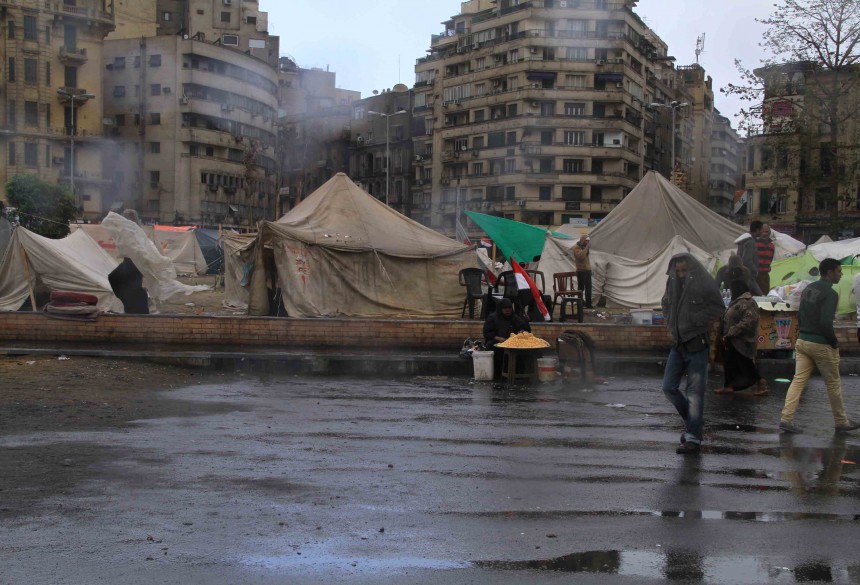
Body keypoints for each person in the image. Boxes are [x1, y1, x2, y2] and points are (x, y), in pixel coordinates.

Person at [779, 258, 860, 434]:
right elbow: (825, 322)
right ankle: (841, 421)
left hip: (803, 341)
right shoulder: (830, 293)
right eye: (839, 271)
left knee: (798, 380)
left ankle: (786, 418)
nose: (841, 274)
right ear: (830, 273)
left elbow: (800, 315)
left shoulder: (808, 288)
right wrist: (834, 342)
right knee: (833, 383)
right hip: (821, 343)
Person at [661, 253, 726, 454]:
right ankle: (693, 424)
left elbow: (718, 307)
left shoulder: (703, 281)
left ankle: (693, 438)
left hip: (697, 344)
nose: (681, 274)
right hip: (678, 343)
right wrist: (670, 323)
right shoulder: (672, 281)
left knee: (695, 394)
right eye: (678, 271)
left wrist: (696, 319)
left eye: (684, 270)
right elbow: (665, 302)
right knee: (668, 387)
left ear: (691, 268)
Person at [715, 279, 768, 395]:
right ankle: (728, 386)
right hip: (732, 339)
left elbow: (748, 321)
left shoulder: (748, 302)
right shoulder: (737, 301)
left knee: (745, 364)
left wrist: (732, 331)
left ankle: (760, 382)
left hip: (743, 341)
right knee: (729, 362)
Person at [483, 297, 531, 380]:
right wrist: (498, 338)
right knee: (493, 347)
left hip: (512, 342)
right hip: (497, 342)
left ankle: (521, 374)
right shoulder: (493, 318)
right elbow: (487, 333)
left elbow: (523, 327)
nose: (508, 310)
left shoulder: (514, 317)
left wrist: (522, 331)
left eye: (509, 307)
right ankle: (499, 374)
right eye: (505, 308)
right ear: (500, 308)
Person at [736, 220, 762, 285]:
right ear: (757, 230)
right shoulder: (750, 241)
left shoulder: (745, 239)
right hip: (748, 274)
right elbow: (747, 260)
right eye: (761, 229)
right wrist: (755, 271)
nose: (762, 232)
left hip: (743, 273)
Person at [572, 234, 593, 309]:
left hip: (587, 270)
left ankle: (588, 304)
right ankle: (580, 303)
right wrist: (586, 248)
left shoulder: (584, 248)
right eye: (586, 241)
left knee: (588, 288)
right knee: (581, 288)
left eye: (588, 241)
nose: (588, 243)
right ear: (583, 240)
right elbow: (580, 257)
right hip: (581, 270)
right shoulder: (576, 247)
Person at [756, 224, 776, 294]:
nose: (765, 234)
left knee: (765, 295)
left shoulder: (771, 246)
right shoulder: (755, 244)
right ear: (760, 232)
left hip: (765, 275)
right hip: (756, 274)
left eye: (767, 232)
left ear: (769, 233)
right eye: (764, 231)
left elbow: (770, 259)